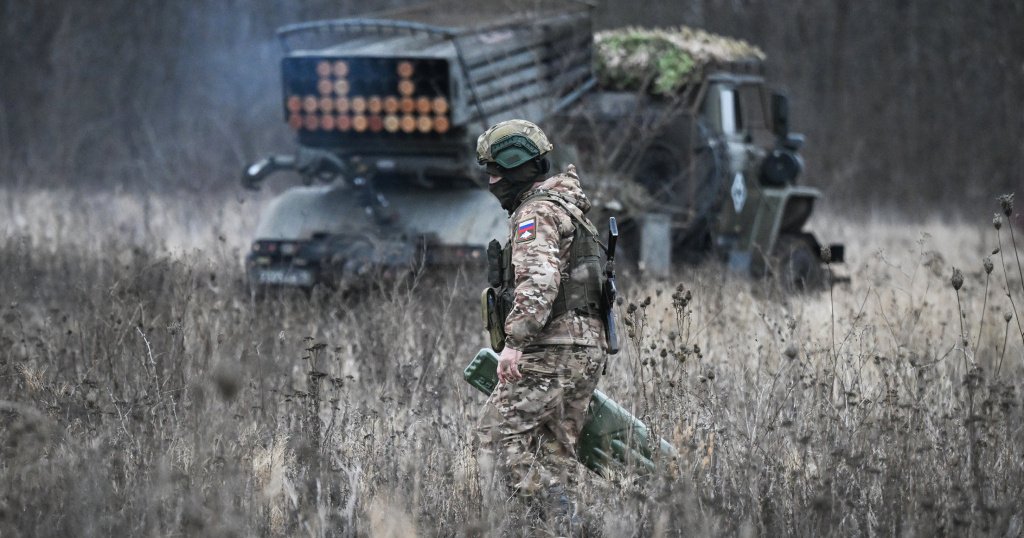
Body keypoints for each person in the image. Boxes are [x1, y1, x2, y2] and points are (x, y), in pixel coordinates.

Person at [474, 119, 606, 515]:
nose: (492, 181)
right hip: (584, 347)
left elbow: (540, 280)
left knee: (495, 441)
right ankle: (561, 528)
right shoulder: (570, 207)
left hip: (552, 345)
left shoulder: (536, 213)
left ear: (516, 170)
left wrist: (514, 343)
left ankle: (573, 519)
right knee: (554, 455)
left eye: (496, 171)